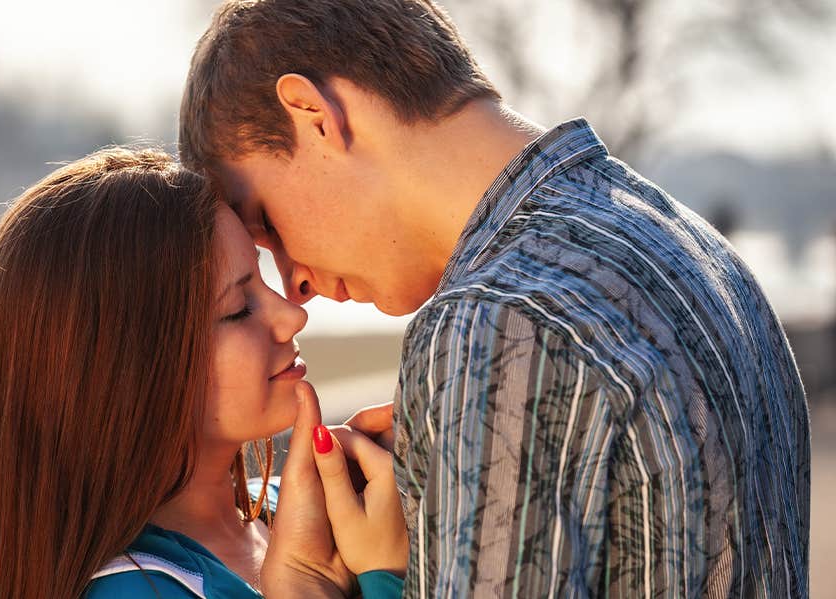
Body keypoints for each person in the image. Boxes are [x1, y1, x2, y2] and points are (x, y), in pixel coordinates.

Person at [178, 1, 811, 596]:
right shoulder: (695, 252)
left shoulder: (498, 319)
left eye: (268, 222)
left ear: (314, 116)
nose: (295, 286)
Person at [0, 148, 405, 598]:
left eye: (261, 278)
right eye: (238, 308)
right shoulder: (132, 591)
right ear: (125, 370)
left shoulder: (306, 513)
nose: (291, 315)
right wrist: (381, 576)